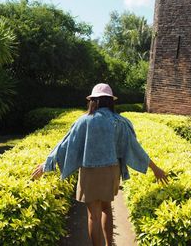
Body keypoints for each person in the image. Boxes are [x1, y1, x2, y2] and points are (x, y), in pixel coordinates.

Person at [32, 83, 167, 246]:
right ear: (111, 102)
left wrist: (46, 164)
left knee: (93, 216)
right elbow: (134, 148)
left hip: (90, 172)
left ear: (93, 101)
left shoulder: (83, 121)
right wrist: (155, 168)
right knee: (106, 209)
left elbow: (65, 144)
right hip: (111, 172)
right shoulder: (120, 122)